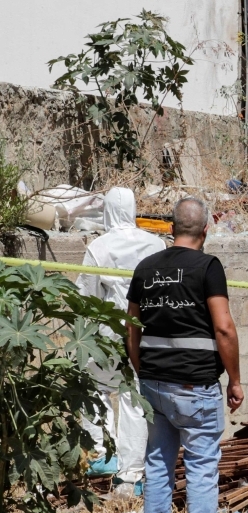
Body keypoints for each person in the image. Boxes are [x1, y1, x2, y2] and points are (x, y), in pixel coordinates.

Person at [125, 197, 248, 513]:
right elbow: (224, 327)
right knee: (200, 469)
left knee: (158, 467)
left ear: (170, 227)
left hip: (154, 387)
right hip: (194, 387)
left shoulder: (146, 268)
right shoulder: (207, 266)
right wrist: (236, 380)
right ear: (206, 230)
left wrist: (142, 370)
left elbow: (132, 327)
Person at [76, 187, 165, 492]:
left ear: (108, 211)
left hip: (107, 335)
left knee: (97, 389)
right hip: (146, 332)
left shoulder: (99, 247)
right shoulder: (156, 244)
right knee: (134, 399)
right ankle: (132, 474)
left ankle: (101, 457)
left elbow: (85, 295)